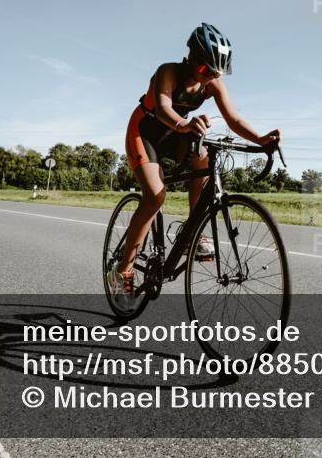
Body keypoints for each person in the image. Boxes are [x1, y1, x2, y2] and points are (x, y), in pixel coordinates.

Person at [107, 23, 280, 304]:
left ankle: (192, 233)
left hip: (176, 133)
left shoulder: (212, 84)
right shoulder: (168, 72)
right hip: (145, 131)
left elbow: (234, 119)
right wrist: (185, 125)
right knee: (155, 196)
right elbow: (163, 108)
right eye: (205, 69)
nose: (210, 76)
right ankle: (122, 271)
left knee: (204, 154)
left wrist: (261, 139)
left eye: (217, 72)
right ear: (191, 58)